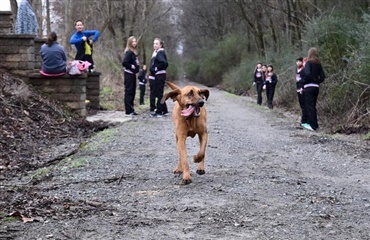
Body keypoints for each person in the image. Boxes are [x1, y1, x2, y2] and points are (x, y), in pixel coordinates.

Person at [302, 47, 325, 131]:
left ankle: (312, 125)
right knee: (313, 105)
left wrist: (303, 81)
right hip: (316, 87)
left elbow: (307, 74)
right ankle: (315, 124)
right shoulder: (318, 64)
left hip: (309, 87)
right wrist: (317, 81)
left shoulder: (308, 63)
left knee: (309, 106)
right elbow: (323, 76)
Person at [150, 38, 169, 117]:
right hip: (159, 74)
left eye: (157, 44)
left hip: (160, 75)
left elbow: (164, 63)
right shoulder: (158, 52)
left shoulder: (160, 52)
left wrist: (157, 68)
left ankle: (159, 112)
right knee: (159, 93)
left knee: (159, 94)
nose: (155, 45)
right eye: (154, 43)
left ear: (160, 45)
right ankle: (164, 110)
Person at [122, 36, 140, 115]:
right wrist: (132, 66)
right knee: (129, 91)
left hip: (133, 74)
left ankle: (131, 109)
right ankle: (128, 110)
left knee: (133, 92)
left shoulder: (134, 52)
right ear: (129, 43)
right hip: (128, 74)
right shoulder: (129, 52)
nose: (134, 43)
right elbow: (124, 62)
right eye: (133, 42)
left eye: (135, 41)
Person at [295, 57, 308, 127]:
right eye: (297, 61)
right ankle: (304, 119)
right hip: (298, 87)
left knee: (304, 105)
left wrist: (302, 88)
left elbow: (305, 79)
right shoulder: (296, 69)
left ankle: (304, 120)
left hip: (302, 88)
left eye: (299, 61)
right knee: (301, 104)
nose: (298, 63)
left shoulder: (304, 69)